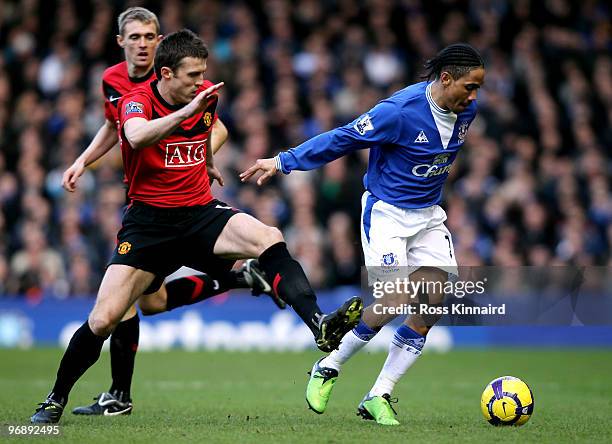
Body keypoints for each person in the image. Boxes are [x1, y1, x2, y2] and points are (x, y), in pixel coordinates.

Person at [31, 29, 363, 424]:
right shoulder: (137, 101)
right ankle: (55, 399)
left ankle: (319, 324)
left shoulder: (205, 95)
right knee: (105, 319)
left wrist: (204, 154)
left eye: (202, 73)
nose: (200, 82)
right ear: (166, 74)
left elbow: (213, 127)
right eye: (192, 75)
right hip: (149, 226)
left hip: (200, 213)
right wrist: (186, 115)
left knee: (270, 237)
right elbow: (135, 138)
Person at [241, 43, 485, 425]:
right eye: (469, 87)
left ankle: (379, 394)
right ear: (446, 78)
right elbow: (342, 138)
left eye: (478, 89)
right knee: (394, 299)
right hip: (386, 214)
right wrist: (283, 161)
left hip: (428, 217)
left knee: (432, 305)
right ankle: (328, 366)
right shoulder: (398, 113)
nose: (474, 97)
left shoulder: (465, 110)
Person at [60, 7, 278, 418]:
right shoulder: (113, 81)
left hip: (175, 199)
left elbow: (219, 127)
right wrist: (82, 161)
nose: (143, 44)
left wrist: (195, 161)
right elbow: (114, 126)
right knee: (153, 301)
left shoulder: (181, 78)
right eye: (135, 37)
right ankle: (238, 278)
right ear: (120, 41)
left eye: (150, 36)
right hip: (140, 198)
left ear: (161, 43)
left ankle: (119, 396)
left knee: (132, 302)